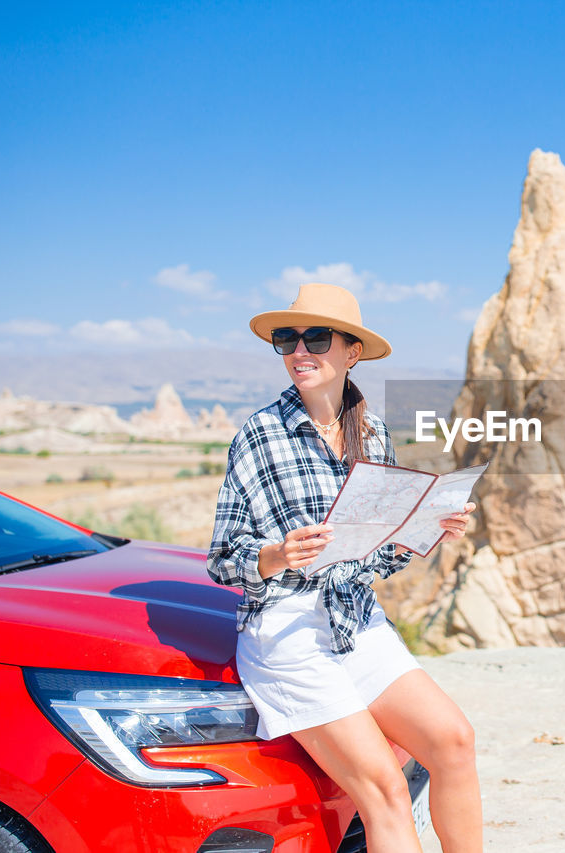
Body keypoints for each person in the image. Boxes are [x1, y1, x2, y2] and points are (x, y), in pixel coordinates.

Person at [206, 282, 482, 852]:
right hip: (287, 635)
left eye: (316, 338)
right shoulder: (260, 434)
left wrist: (426, 528)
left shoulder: (373, 432)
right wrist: (275, 555)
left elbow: (376, 555)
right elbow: (222, 558)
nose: (298, 351)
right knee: (384, 787)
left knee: (454, 741)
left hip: (356, 623)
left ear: (351, 352)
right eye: (287, 339)